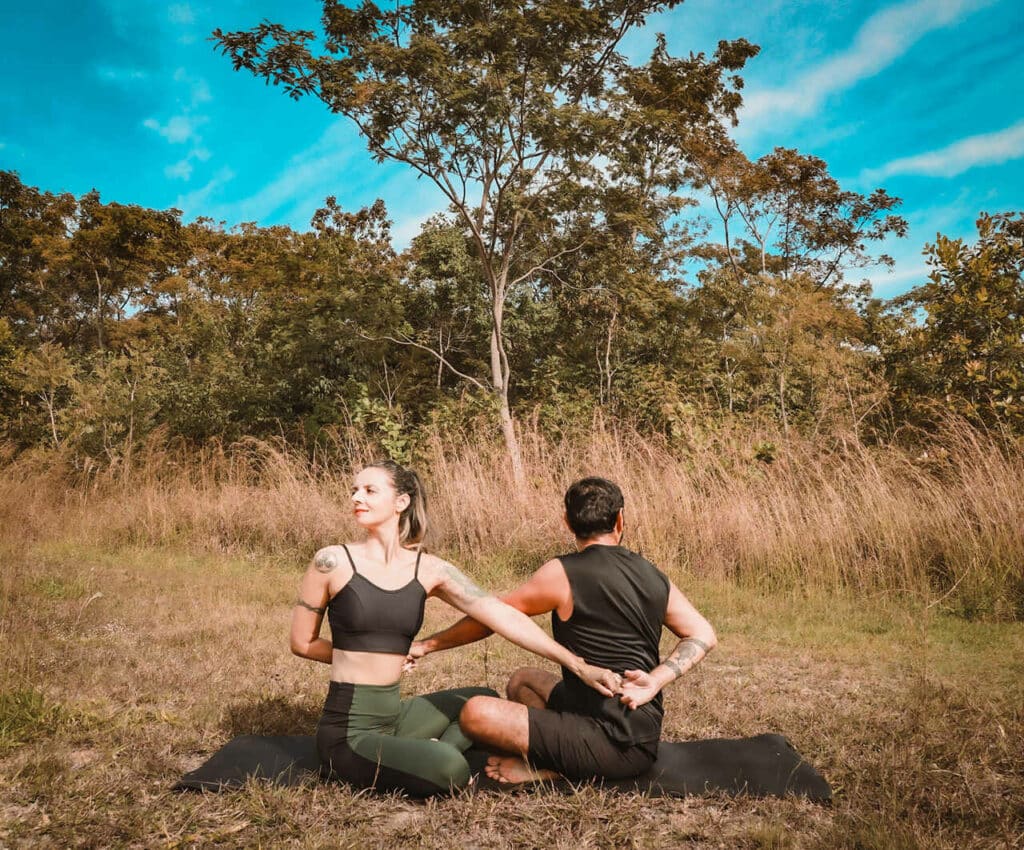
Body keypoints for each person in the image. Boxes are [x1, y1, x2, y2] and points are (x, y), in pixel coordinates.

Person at [289, 460, 620, 798]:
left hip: (395, 716)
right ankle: (437, 751)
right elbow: (302, 643)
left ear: (401, 502)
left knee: (482, 699)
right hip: (349, 731)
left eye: (370, 490)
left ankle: (423, 747)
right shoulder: (331, 562)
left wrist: (579, 665)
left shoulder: (429, 568)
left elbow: (500, 615)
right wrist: (371, 659)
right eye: (354, 490)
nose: (357, 497)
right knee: (451, 769)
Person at [407, 476, 717, 784]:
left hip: (613, 743)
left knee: (475, 712)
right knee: (523, 681)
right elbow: (702, 634)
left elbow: (493, 616)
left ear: (567, 522)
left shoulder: (562, 573)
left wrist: (426, 645)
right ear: (620, 519)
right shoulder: (653, 574)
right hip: (637, 733)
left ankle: (552, 768)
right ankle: (561, 750)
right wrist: (655, 681)